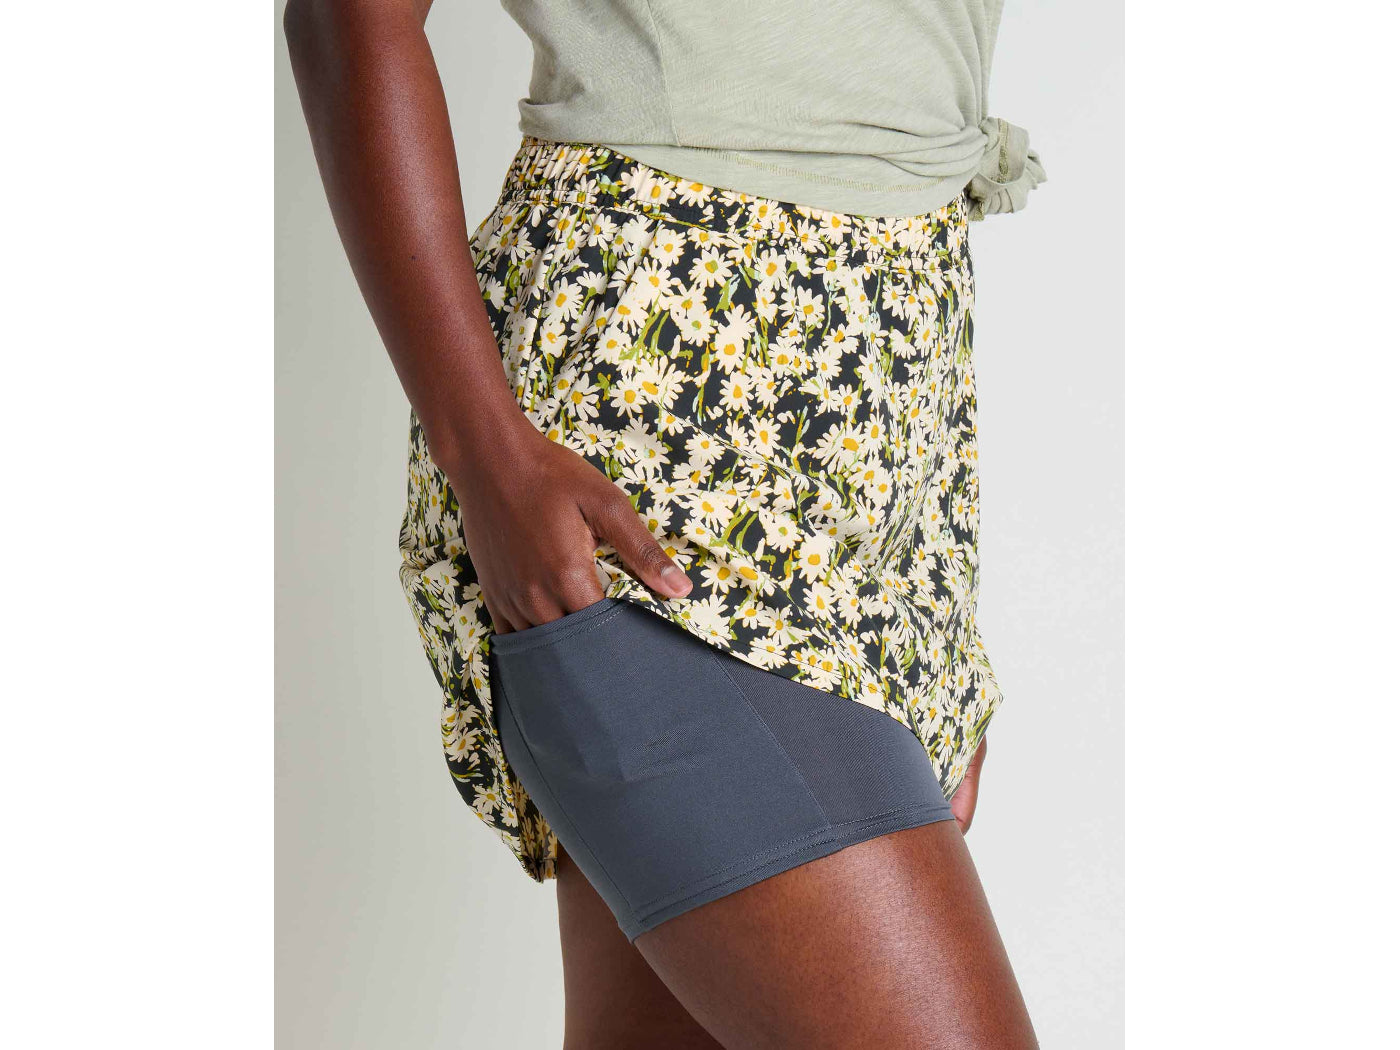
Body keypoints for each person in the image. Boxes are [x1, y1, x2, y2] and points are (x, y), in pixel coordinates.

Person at [285, 0, 1044, 1045]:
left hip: (893, 413)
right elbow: (346, 18)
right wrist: (486, 453)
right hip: (656, 408)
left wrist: (926, 601)